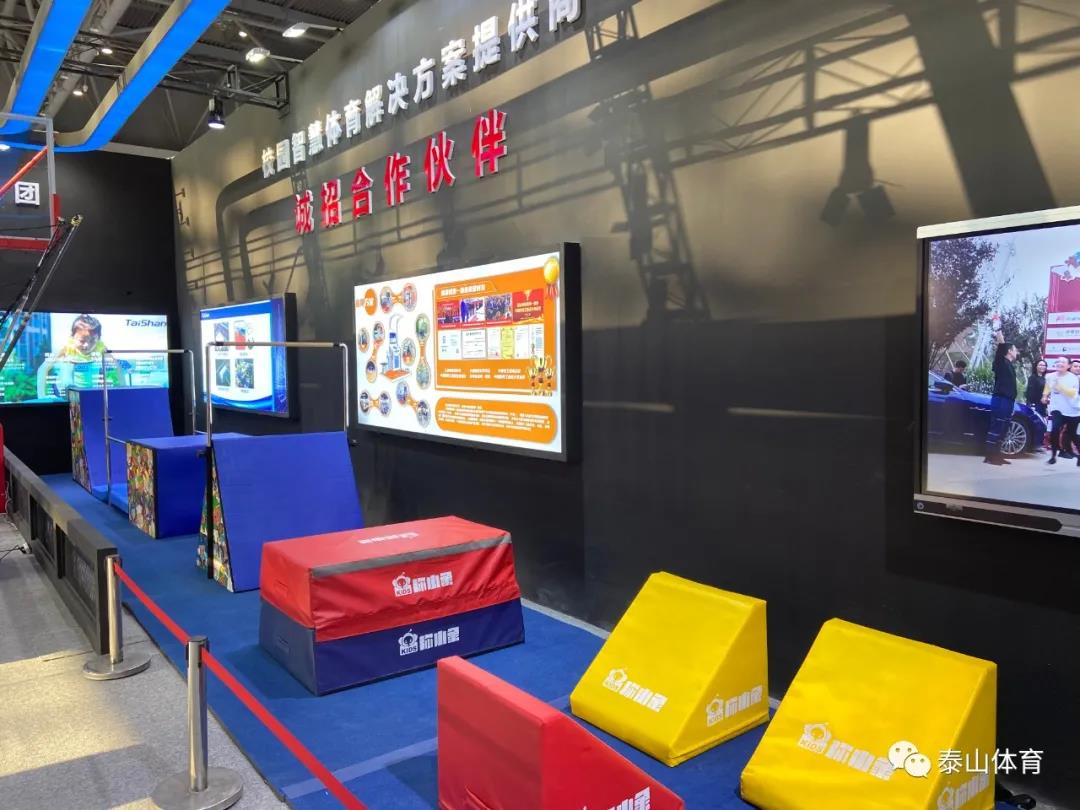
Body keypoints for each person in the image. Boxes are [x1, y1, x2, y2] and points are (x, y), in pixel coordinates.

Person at [36, 314, 109, 399]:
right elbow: (43, 369)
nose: (87, 345)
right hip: (66, 391)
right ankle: (69, 389)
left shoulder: (100, 347)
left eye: (92, 341)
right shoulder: (67, 348)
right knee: (68, 364)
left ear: (98, 339)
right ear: (72, 337)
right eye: (82, 341)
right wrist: (42, 397)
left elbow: (118, 366)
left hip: (88, 393)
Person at [984, 331, 1018, 465]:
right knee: (997, 426)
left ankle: (997, 455)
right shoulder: (1001, 362)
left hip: (1009, 401)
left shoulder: (1010, 365)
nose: (1016, 352)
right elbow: (1001, 347)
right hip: (1000, 399)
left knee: (1004, 428)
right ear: (1009, 351)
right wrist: (999, 331)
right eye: (1015, 349)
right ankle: (989, 456)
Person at [1043, 357, 1080, 465]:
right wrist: (1044, 396)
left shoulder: (1073, 378)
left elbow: (1072, 394)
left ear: (1068, 366)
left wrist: (1059, 386)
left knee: (1073, 434)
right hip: (1057, 408)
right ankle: (1053, 456)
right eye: (1058, 361)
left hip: (1072, 410)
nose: (1060, 363)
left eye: (1063, 362)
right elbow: (1047, 387)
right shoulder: (1050, 376)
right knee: (1055, 429)